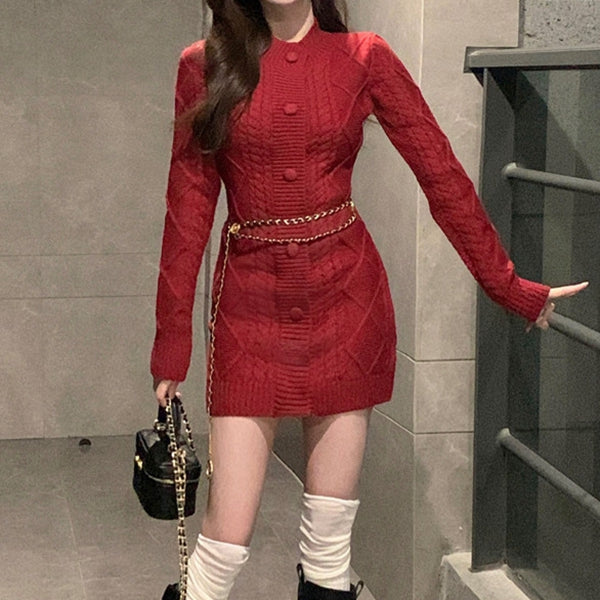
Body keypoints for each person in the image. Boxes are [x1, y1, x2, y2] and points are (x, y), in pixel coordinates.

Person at [151, 1, 588, 599]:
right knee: (222, 544)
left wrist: (507, 285)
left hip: (347, 309)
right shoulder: (205, 64)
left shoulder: (364, 57)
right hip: (249, 314)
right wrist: (171, 343)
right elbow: (187, 211)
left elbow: (441, 174)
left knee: (329, 549)